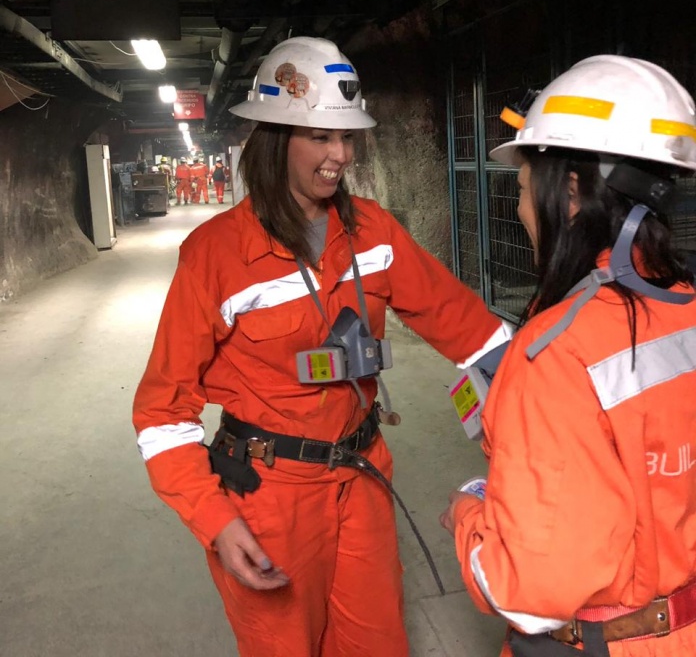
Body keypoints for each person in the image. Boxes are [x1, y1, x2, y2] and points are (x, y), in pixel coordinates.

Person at [133, 36, 505, 657]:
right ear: (276, 141)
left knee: (378, 644)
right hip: (268, 497)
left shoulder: (375, 234)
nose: (340, 155)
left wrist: (550, 396)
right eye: (321, 138)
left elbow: (468, 326)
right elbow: (161, 414)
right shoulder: (216, 257)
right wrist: (215, 521)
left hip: (360, 476)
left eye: (347, 138)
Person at [440, 55, 696, 657]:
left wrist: (468, 521)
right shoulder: (686, 306)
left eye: (525, 189)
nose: (523, 210)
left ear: (571, 192)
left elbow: (525, 593)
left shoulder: (555, 354)